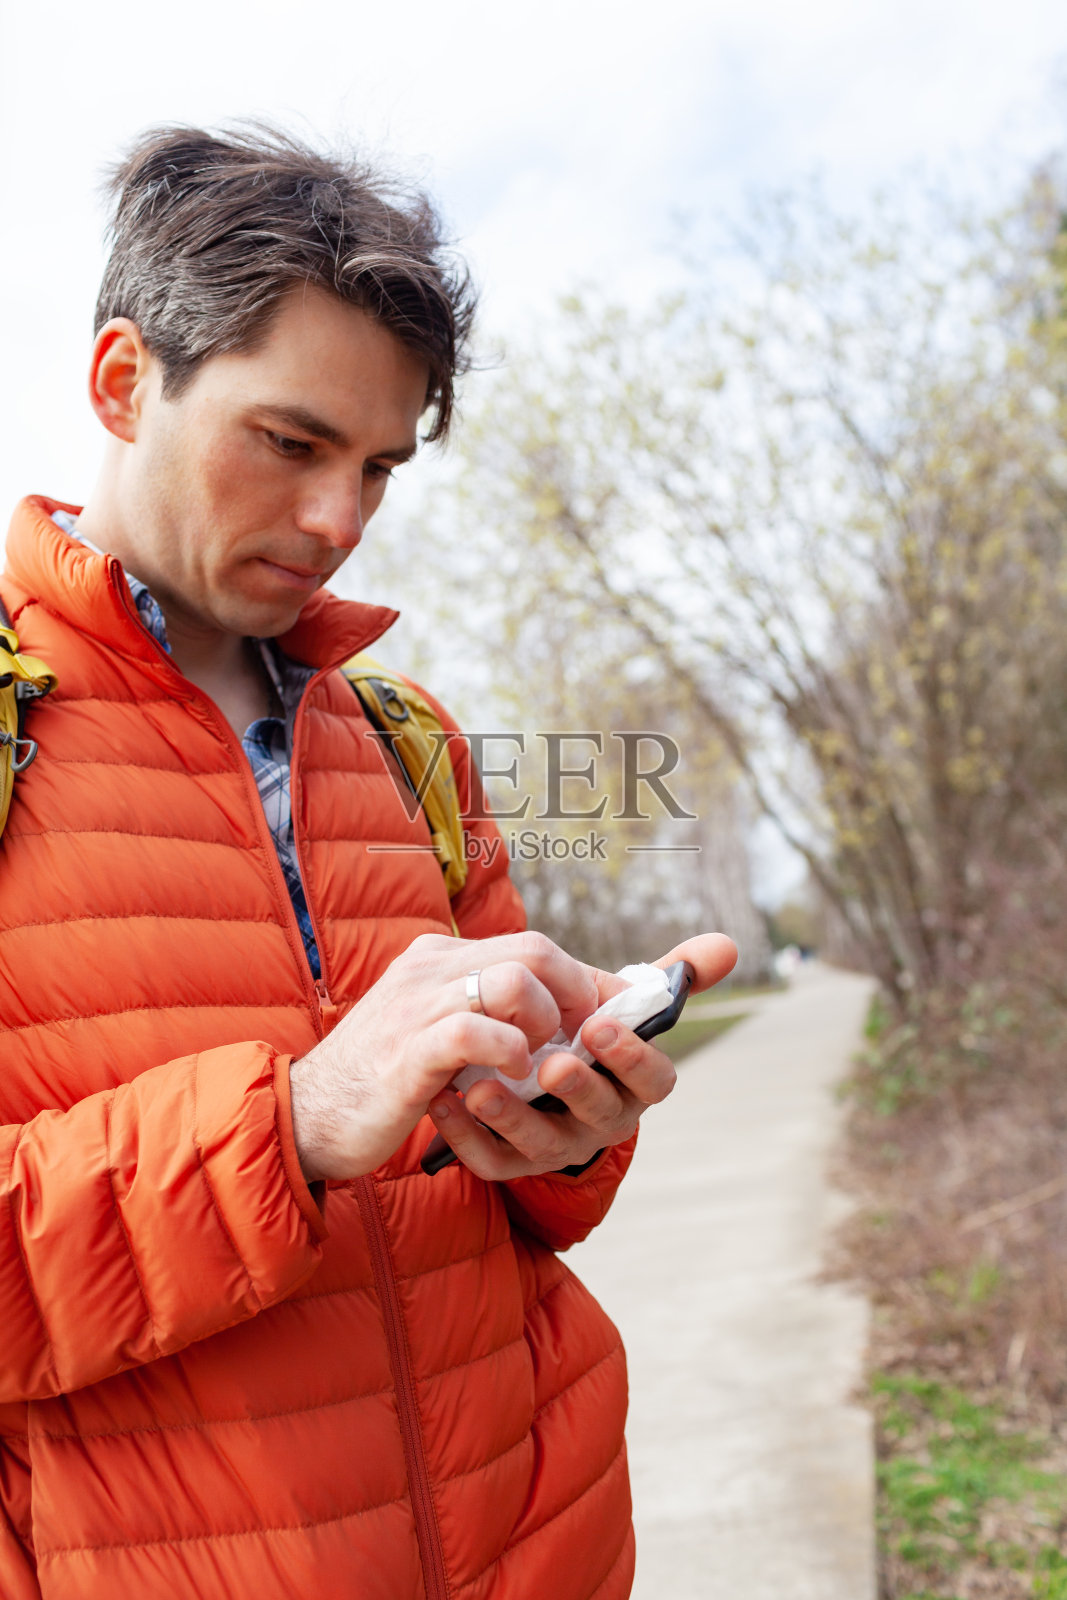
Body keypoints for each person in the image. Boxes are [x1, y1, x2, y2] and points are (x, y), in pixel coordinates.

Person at [0, 124, 736, 1600]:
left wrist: (568, 1124)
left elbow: (528, 1212)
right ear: (123, 381)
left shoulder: (413, 742)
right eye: (290, 442)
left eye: (381, 467)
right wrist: (296, 1124)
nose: (339, 523)